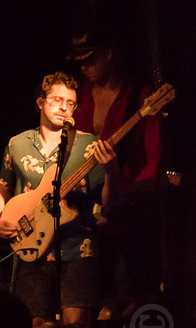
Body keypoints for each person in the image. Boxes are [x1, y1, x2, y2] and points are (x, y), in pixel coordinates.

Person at [0, 71, 117, 328]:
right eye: (57, 100)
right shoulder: (17, 144)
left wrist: (111, 171)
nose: (64, 107)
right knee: (34, 326)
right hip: (30, 246)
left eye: (70, 103)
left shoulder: (88, 146)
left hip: (76, 246)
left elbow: (107, 202)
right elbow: (2, 189)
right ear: (40, 102)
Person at [66, 27, 174, 297]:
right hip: (86, 224)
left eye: (89, 59)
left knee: (130, 302)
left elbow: (153, 168)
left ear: (109, 54)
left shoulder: (139, 98)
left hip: (128, 223)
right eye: (79, 61)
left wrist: (117, 194)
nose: (83, 66)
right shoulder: (81, 98)